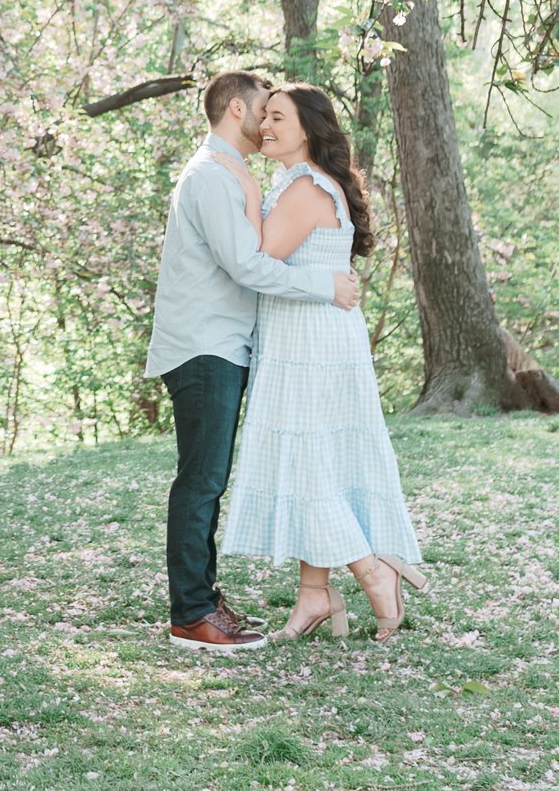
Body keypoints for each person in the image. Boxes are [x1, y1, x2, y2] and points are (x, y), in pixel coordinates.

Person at [148, 71, 363, 652]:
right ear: (237, 110)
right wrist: (327, 286)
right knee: (201, 481)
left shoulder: (231, 174)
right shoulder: (213, 177)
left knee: (207, 479)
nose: (269, 122)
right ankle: (191, 614)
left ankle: (203, 600)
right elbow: (248, 266)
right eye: (265, 110)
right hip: (203, 346)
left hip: (222, 343)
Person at [217, 82, 425, 642]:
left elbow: (257, 256)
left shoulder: (307, 187)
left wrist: (236, 178)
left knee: (308, 463)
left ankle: (372, 568)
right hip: (306, 335)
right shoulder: (293, 181)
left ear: (308, 129)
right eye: (265, 119)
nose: (266, 128)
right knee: (316, 460)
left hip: (311, 342)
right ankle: (314, 595)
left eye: (278, 118)